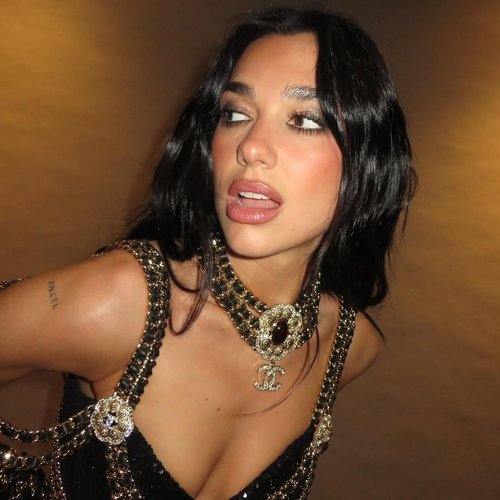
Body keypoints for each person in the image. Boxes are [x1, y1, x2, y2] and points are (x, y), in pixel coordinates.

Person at [0, 6, 415, 499]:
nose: (250, 147)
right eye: (235, 114)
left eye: (304, 120)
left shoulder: (348, 345)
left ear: (369, 161)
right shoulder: (124, 302)